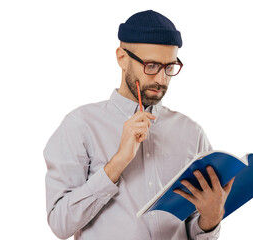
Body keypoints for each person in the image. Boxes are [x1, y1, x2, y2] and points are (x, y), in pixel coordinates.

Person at [44, 10, 234, 240]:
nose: (161, 79)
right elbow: (60, 224)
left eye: (169, 67)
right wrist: (118, 161)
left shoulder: (191, 132)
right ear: (122, 58)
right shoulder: (81, 125)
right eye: (152, 65)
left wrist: (211, 219)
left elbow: (195, 231)